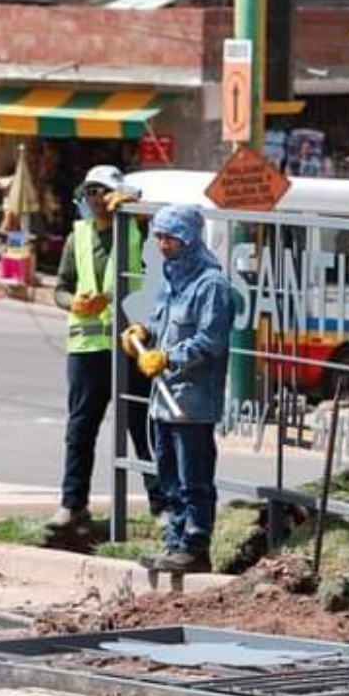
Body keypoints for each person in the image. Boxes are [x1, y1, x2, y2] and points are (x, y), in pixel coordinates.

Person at [46, 165, 165, 532]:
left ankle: (161, 505)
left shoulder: (137, 228)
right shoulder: (77, 237)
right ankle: (72, 504)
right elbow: (60, 288)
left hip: (131, 343)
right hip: (88, 347)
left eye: (104, 192)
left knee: (141, 427)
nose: (97, 199)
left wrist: (138, 206)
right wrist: (74, 303)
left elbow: (167, 229)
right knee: (81, 429)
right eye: (91, 192)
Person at [119, 205, 234, 574]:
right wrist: (142, 334)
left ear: (187, 238)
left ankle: (195, 546)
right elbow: (158, 323)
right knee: (168, 476)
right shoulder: (170, 279)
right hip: (162, 400)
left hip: (192, 402)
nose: (162, 244)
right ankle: (174, 542)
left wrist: (168, 358)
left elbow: (210, 341)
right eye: (159, 236)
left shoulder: (211, 286)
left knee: (193, 478)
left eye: (169, 237)